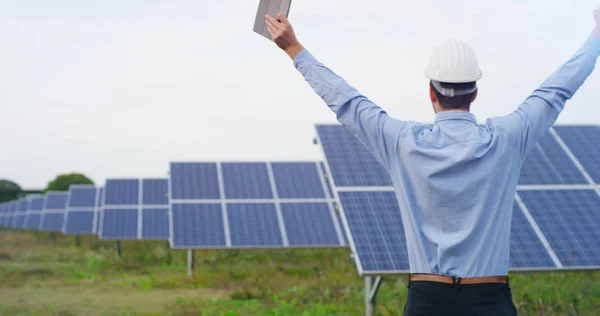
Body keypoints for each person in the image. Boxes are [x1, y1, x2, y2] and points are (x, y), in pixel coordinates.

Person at [263, 7, 600, 316]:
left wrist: (294, 48)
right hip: (490, 299)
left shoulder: (402, 143)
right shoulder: (507, 140)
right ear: (476, 92)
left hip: (427, 300)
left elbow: (346, 101)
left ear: (431, 93)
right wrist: (596, 36)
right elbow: (557, 90)